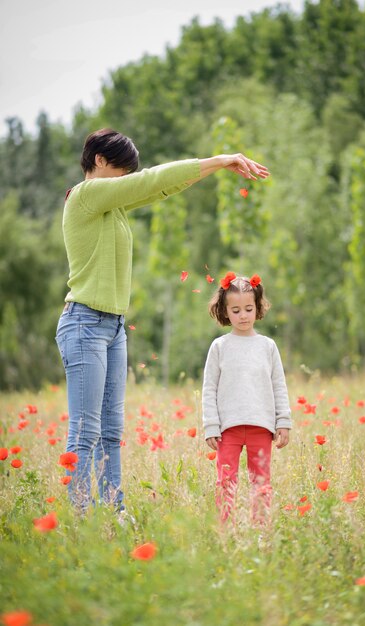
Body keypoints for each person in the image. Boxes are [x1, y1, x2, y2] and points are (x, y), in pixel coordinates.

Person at [55, 128, 269, 514]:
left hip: (113, 327)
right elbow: (151, 181)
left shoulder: (113, 205)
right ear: (100, 161)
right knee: (86, 430)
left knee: (111, 431)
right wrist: (221, 159)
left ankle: (113, 513)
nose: (127, 179)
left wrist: (212, 171)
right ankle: (80, 517)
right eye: (123, 171)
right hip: (84, 324)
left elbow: (161, 188)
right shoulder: (86, 196)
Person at [202, 272, 291, 522]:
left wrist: (282, 421)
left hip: (261, 427)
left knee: (261, 481)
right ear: (225, 311)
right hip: (227, 429)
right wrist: (211, 424)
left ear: (258, 308)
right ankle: (225, 530)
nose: (243, 315)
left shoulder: (267, 346)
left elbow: (278, 386)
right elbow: (209, 388)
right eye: (236, 310)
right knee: (225, 480)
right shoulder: (219, 347)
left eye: (248, 309)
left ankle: (261, 531)